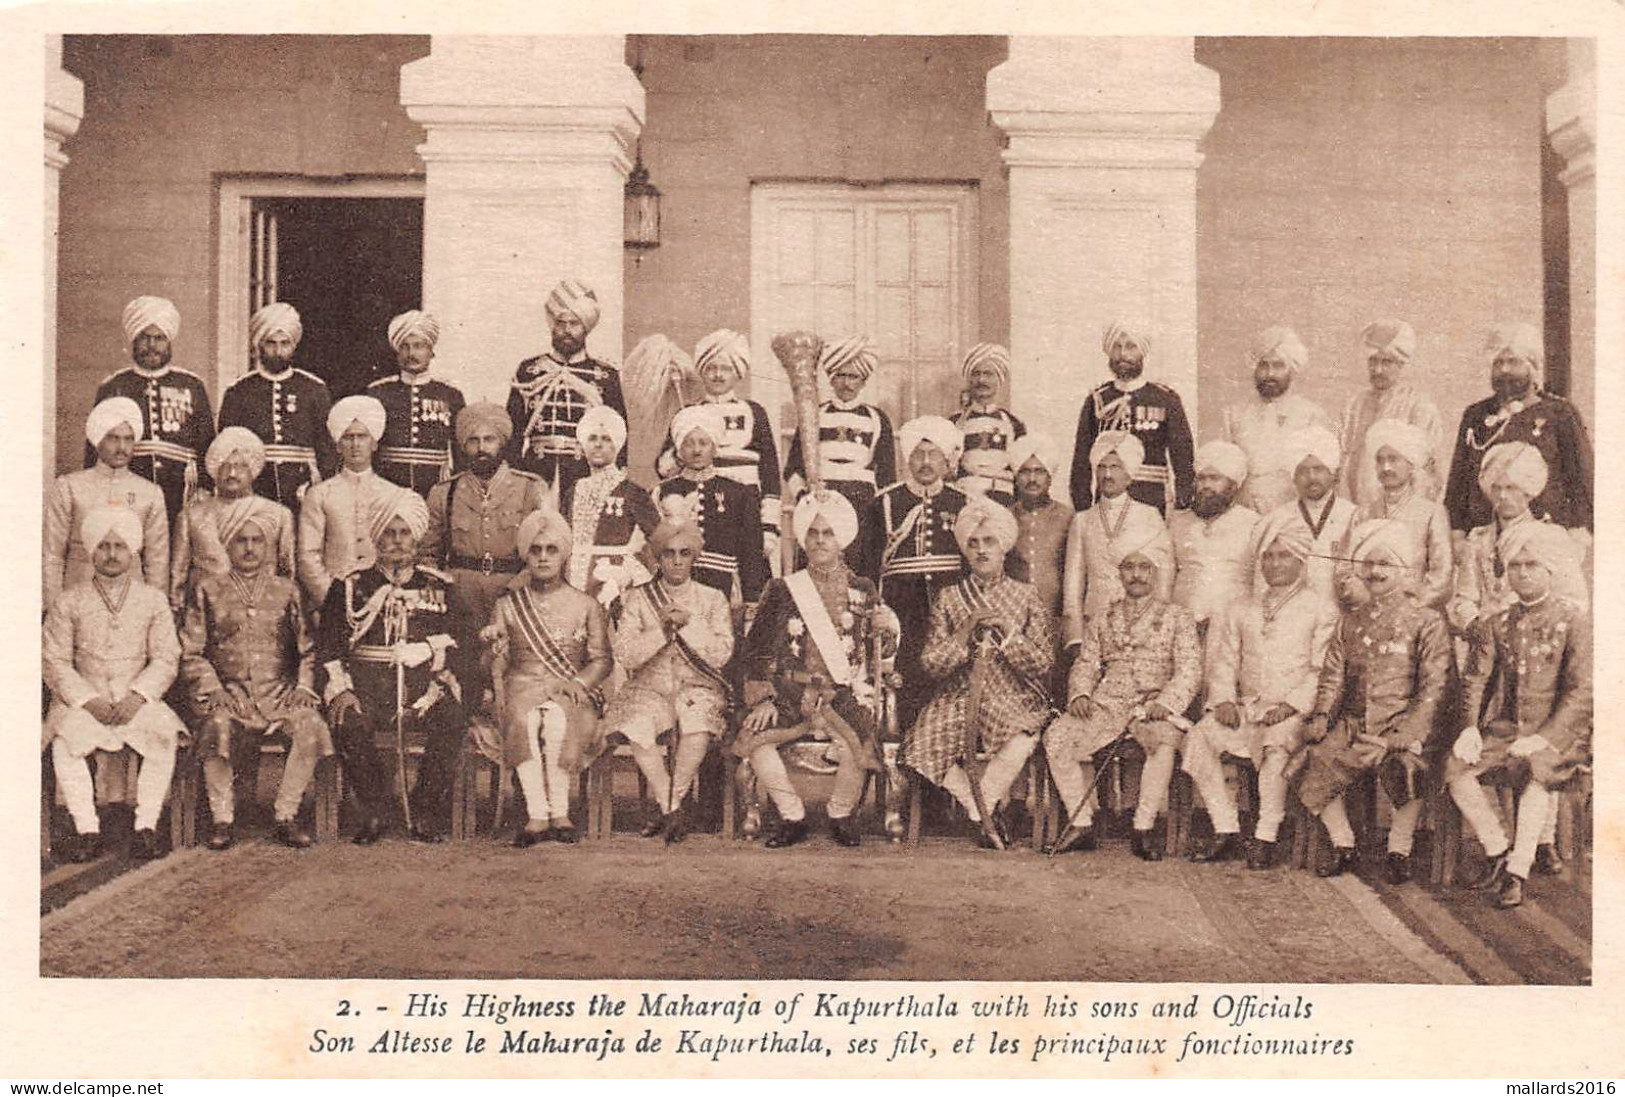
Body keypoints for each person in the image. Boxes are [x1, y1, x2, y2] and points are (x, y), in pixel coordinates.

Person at [1295, 520, 1454, 883]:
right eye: (1369, 564)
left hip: (1405, 723)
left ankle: (1399, 849)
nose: (1375, 572)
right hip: (1355, 723)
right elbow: (1333, 676)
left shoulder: (1426, 620)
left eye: (1385, 564)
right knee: (1316, 757)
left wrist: (1402, 734)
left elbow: (1434, 685)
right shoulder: (1350, 621)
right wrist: (1321, 715)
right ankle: (1343, 843)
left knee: (1407, 766)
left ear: (1402, 568)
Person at [736, 491, 896, 849]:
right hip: (791, 694)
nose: (821, 540)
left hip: (843, 694)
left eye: (828, 533)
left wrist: (885, 630)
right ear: (804, 539)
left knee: (862, 740)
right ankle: (792, 816)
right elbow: (757, 648)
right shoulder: (782, 589)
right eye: (813, 533)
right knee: (755, 741)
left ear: (842, 539)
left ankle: (840, 813)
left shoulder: (863, 588)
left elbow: (879, 654)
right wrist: (763, 698)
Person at [1446, 521, 1591, 908]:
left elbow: (1583, 692)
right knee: (1457, 770)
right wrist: (1469, 728)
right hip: (1508, 730)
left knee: (1536, 778)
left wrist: (1545, 737)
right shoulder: (1498, 623)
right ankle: (1497, 850)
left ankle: (1517, 871)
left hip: (1561, 734)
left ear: (1550, 570)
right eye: (1516, 566)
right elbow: (1476, 680)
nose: (1523, 573)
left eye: (1532, 565)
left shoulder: (1573, 621)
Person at [1182, 515, 1337, 868]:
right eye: (1268, 556)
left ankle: (1265, 835)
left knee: (1275, 748)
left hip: (1294, 712)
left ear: (1300, 561)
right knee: (1199, 738)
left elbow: (1321, 670)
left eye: (1283, 556)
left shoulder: (1320, 608)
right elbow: (1223, 662)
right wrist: (1222, 699)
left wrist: (1291, 706)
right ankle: (1226, 827)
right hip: (1249, 708)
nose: (1274, 563)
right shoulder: (1242, 607)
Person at [903, 498, 1057, 849]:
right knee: (918, 749)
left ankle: (980, 806)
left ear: (1003, 546)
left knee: (1023, 737)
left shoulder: (1025, 595)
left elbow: (1043, 662)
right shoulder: (951, 597)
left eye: (989, 542)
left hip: (1011, 694)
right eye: (973, 543)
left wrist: (1009, 634)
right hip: (958, 697)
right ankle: (982, 810)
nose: (981, 550)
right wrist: (962, 634)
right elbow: (931, 663)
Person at [316, 487, 464, 844]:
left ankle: (425, 810)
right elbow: (330, 647)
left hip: (422, 689)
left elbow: (462, 640)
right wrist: (343, 690)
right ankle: (375, 810)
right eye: (389, 533)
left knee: (453, 718)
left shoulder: (439, 587)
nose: (397, 542)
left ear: (416, 540)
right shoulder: (350, 587)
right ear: (376, 538)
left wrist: (428, 649)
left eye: (404, 534)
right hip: (367, 688)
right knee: (349, 721)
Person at [179, 508, 331, 850]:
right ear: (227, 546)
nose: (249, 548)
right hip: (230, 696)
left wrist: (304, 686)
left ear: (268, 546)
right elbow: (191, 650)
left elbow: (308, 648)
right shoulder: (207, 589)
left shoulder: (287, 590)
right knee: (216, 724)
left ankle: (286, 814)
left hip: (280, 695)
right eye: (240, 541)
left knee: (310, 724)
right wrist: (212, 688)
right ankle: (222, 818)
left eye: (257, 541)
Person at [1043, 527, 1200, 858]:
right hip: (1108, 705)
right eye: (1129, 567)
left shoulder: (1177, 616)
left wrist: (1166, 703)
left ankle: (1143, 827)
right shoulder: (1104, 616)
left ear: (1156, 573)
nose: (1137, 575)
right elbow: (1086, 663)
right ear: (1120, 573)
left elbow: (1189, 669)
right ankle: (1081, 822)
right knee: (1056, 736)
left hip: (1152, 705)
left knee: (1162, 742)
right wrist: (1081, 695)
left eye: (1144, 568)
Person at [42, 507, 184, 863]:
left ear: (132, 551)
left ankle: (145, 827)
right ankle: (87, 828)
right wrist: (87, 699)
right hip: (84, 700)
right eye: (103, 546)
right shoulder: (69, 600)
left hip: (135, 698)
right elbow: (54, 660)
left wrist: (138, 696)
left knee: (163, 736)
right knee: (64, 743)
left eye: (119, 546)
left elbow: (167, 656)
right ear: (91, 550)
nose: (111, 555)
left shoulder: (152, 600)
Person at [483, 509, 613, 847]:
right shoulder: (508, 605)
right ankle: (537, 816)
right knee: (523, 719)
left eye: (551, 550)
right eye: (535, 550)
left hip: (570, 687)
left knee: (558, 720)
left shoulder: (586, 604)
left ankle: (560, 812)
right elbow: (495, 666)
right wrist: (494, 649)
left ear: (564, 554)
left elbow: (602, 661)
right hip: (521, 685)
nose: (542, 557)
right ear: (526, 554)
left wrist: (578, 683)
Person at [601, 518, 735, 842]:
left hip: (698, 686)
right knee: (636, 723)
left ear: (695, 558)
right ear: (658, 559)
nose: (676, 561)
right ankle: (672, 806)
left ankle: (667, 808)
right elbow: (627, 655)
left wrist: (688, 626)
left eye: (684, 553)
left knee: (697, 725)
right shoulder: (636, 599)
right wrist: (661, 631)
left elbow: (722, 653)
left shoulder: (712, 598)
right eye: (669, 554)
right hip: (650, 687)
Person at [421, 402, 548, 715]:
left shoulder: (529, 488)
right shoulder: (445, 492)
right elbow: (428, 553)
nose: (481, 448)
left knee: (513, 680)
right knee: (465, 682)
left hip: (514, 594)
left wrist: (518, 589)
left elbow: (543, 546)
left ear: (502, 443)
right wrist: (437, 590)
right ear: (463, 446)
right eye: (473, 441)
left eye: (489, 440)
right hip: (461, 599)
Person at [858, 415, 969, 729]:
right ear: (907, 458)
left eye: (933, 454)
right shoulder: (884, 504)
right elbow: (868, 568)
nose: (924, 461)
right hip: (902, 612)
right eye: (918, 454)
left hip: (951, 612)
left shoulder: (962, 503)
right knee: (904, 690)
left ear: (947, 460)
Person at [1444, 322, 1592, 540]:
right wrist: (1456, 533)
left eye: (1513, 362)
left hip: (1546, 534)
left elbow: (1582, 481)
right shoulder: (1475, 415)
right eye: (1498, 363)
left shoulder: (1560, 413)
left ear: (1532, 367)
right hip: (1484, 536)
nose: (1504, 370)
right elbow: (1459, 481)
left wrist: (1579, 531)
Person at [653, 329, 784, 563]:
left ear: (737, 373)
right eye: (711, 368)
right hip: (701, 512)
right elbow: (663, 469)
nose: (718, 375)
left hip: (748, 516)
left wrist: (769, 527)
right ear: (702, 372)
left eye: (725, 369)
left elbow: (770, 474)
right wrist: (681, 451)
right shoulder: (688, 412)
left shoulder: (754, 413)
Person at [86, 295, 215, 526]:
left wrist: (204, 489)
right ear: (134, 340)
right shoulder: (114, 385)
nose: (152, 346)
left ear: (170, 341)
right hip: (127, 488)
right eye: (145, 338)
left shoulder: (191, 385)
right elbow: (94, 447)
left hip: (182, 491)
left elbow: (207, 444)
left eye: (159, 338)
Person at [1450, 442, 1589, 643]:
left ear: (1528, 491)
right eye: (1496, 488)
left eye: (1511, 488)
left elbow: (1574, 600)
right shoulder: (1478, 540)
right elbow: (1463, 598)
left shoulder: (1550, 537)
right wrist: (1475, 625)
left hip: (1537, 644)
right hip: (1486, 644)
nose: (1502, 496)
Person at [506, 278, 628, 506]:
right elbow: (513, 432)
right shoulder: (529, 370)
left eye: (575, 324)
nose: (567, 331)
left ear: (585, 328)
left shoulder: (605, 375)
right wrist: (514, 477)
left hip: (585, 471)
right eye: (561, 323)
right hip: (536, 471)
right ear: (553, 325)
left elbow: (619, 435)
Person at [46, 397, 169, 606]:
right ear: (98, 439)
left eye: (128, 439)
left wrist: (155, 611)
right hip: (78, 595)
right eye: (113, 438)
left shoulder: (150, 493)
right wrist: (52, 606)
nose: (122, 447)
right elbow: (52, 554)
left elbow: (157, 562)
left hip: (132, 601)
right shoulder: (70, 487)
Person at [217, 302, 336, 509]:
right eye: (271, 343)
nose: (278, 351)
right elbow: (226, 448)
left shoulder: (314, 389)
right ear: (259, 346)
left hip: (303, 489)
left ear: (294, 346)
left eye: (285, 344)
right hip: (254, 488)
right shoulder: (239, 391)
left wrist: (316, 487)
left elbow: (327, 448)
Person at [1061, 431, 1172, 651]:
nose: (1107, 475)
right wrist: (1075, 638)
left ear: (1129, 475)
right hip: (1094, 625)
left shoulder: (1149, 515)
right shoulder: (1082, 520)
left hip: (1141, 625)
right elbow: (1072, 586)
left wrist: (1156, 627)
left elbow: (1164, 577)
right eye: (1102, 467)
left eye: (1116, 467)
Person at [1069, 320, 1195, 515]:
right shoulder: (1097, 400)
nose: (1123, 354)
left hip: (1151, 501)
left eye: (1131, 347)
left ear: (1142, 352)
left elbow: (1183, 461)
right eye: (1116, 347)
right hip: (1107, 503)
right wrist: (1084, 511)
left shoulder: (1165, 398)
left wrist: (1182, 509)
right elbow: (1081, 464)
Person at [169, 427, 296, 612]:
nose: (232, 473)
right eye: (225, 466)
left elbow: (288, 575)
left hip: (264, 614)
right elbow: (177, 576)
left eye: (240, 466)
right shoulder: (192, 516)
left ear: (253, 469)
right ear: (215, 469)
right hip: (206, 615)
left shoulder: (278, 514)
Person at [782, 334, 897, 536]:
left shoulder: (877, 419)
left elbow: (887, 477)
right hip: (820, 504)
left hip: (863, 506)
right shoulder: (813, 415)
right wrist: (804, 497)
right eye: (841, 376)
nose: (847, 384)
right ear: (832, 379)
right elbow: (792, 468)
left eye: (853, 377)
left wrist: (881, 516)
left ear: (863, 381)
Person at [657, 404, 768, 608]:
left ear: (714, 447)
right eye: (689, 443)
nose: (697, 450)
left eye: (703, 443)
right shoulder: (662, 491)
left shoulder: (739, 491)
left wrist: (752, 599)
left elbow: (751, 550)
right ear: (679, 449)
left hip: (723, 586)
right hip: (674, 588)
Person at [1221, 326, 1335, 516]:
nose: (1269, 374)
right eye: (1263, 365)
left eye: (1278, 366)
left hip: (1294, 514)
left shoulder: (1311, 415)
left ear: (1292, 369)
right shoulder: (1234, 414)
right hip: (1242, 514)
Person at [297, 395, 399, 607]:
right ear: (337, 445)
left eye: (362, 437)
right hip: (332, 599)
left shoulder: (393, 494)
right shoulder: (320, 494)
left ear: (374, 443)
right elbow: (308, 556)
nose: (355, 444)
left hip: (383, 601)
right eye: (348, 437)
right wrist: (331, 599)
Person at [562, 406, 659, 613]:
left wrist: (626, 574)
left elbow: (657, 539)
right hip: (572, 575)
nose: (598, 445)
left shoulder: (633, 492)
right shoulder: (574, 489)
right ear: (583, 445)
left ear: (617, 446)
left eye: (606, 439)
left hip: (611, 578)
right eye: (592, 438)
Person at [1336, 320, 1445, 506]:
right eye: (1373, 361)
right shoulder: (1353, 406)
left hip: (1401, 513)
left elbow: (1427, 473)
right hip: (1354, 511)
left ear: (1401, 364)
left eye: (1386, 362)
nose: (1377, 370)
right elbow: (1341, 464)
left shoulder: (1419, 406)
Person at [1350, 418, 1453, 611]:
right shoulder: (1363, 513)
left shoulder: (1431, 512)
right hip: (1371, 612)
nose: (1386, 467)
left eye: (1393, 459)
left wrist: (1410, 607)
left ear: (1411, 464)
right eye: (1380, 460)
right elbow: (1347, 570)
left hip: (1419, 613)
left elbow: (1442, 577)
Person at [1251, 425, 1357, 612]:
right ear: (1293, 477)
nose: (1311, 477)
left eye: (1319, 469)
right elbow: (1262, 583)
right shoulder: (1276, 520)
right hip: (1293, 620)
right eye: (1303, 471)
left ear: (1333, 473)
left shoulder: (1354, 516)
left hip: (1342, 616)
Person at [368, 310, 466, 496]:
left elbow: (460, 452)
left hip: (436, 488)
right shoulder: (378, 393)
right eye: (404, 347)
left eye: (418, 346)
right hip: (387, 486)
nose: (411, 353)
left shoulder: (451, 395)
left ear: (431, 351)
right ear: (397, 353)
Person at [1168, 442, 1261, 635]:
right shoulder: (1178, 522)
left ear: (1233, 485)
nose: (1206, 486)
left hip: (1232, 628)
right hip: (1182, 626)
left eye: (1215, 478)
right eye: (1201, 478)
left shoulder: (1253, 523)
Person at [1005, 434, 1073, 624]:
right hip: (1013, 617)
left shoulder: (1068, 517)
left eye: (1040, 471)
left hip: (1056, 618)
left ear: (1050, 477)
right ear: (1016, 478)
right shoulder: (1004, 518)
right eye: (1025, 472)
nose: (1032, 479)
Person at [949, 343, 1026, 505]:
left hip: (1003, 500)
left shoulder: (1014, 424)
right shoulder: (954, 423)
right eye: (976, 374)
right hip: (963, 499)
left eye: (988, 374)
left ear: (999, 379)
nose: (981, 380)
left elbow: (1021, 473)